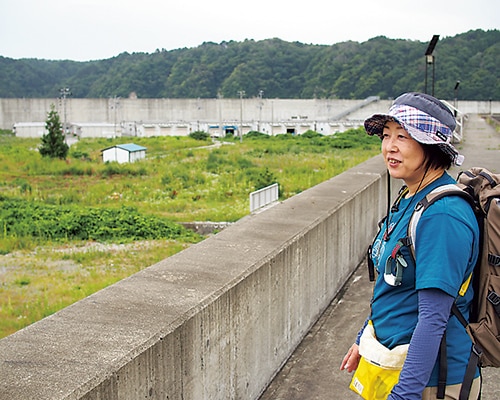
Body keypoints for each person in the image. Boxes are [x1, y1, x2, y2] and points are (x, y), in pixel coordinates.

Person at [340, 92, 481, 399]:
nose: (389, 146)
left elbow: (434, 317)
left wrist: (405, 394)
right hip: (394, 362)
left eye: (403, 137)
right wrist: (365, 337)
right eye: (386, 135)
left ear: (432, 145)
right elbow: (394, 287)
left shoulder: (443, 215)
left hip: (433, 381)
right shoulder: (410, 196)